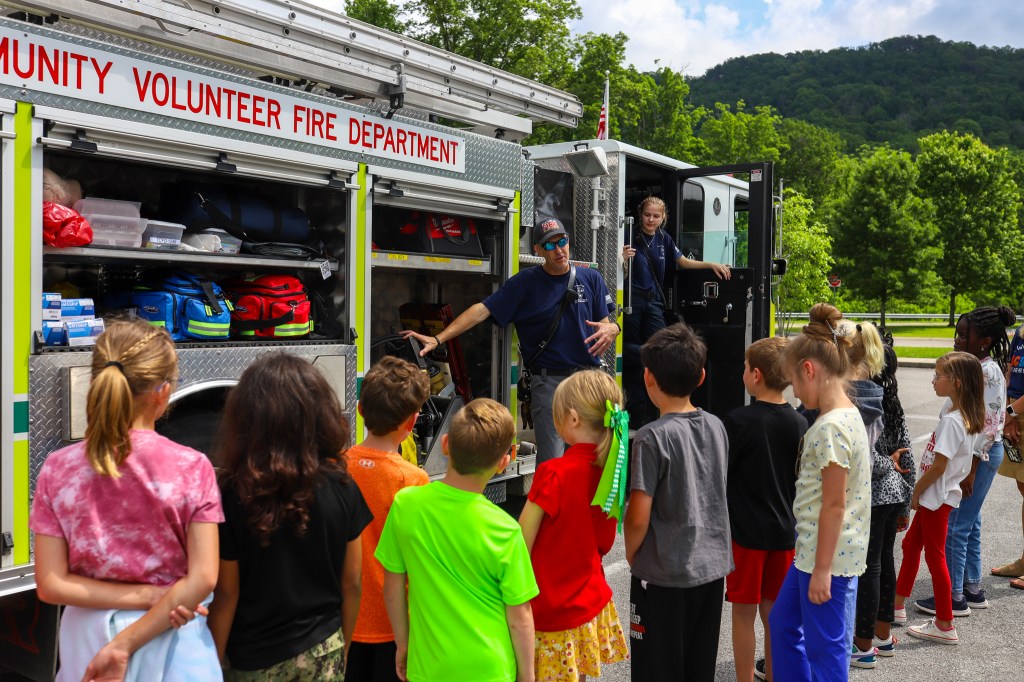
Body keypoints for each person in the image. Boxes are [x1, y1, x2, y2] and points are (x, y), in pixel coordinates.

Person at [30, 319, 222, 680]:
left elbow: (51, 585)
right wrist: (159, 599)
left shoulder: (57, 469)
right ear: (163, 392)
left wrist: (146, 598)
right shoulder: (193, 468)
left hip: (85, 642)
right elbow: (204, 577)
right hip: (171, 632)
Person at [207, 352, 372, 679]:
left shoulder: (232, 492)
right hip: (325, 649)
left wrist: (212, 660)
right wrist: (344, 645)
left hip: (253, 659)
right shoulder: (342, 485)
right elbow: (352, 582)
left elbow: (226, 593)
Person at [402, 218, 618, 465]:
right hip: (549, 384)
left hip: (588, 382)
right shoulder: (525, 283)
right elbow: (482, 310)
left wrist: (614, 327)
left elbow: (605, 323)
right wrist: (438, 338)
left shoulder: (591, 278)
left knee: (589, 461)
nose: (559, 250)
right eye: (550, 246)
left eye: (563, 242)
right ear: (537, 250)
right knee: (553, 463)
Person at [377, 398, 538, 682]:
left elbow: (392, 587)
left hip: (429, 668)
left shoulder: (406, 505)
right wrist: (527, 676)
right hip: (490, 669)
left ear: (446, 444)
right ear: (504, 463)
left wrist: (403, 645)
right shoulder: (505, 529)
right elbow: (520, 616)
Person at [623, 322, 732, 681]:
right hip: (711, 569)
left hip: (664, 575)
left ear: (648, 378)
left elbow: (638, 515)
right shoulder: (716, 425)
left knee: (657, 668)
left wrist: (632, 554)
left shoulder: (652, 437)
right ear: (701, 377)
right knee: (699, 666)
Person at [768, 303, 871, 682]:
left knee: (827, 651)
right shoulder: (845, 416)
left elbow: (834, 504)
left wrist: (823, 570)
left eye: (794, 381)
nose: (794, 391)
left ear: (809, 370)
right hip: (812, 553)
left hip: (827, 559)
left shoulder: (830, 428)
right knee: (781, 624)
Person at [518, 370, 630, 681]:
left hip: (547, 606)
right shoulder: (612, 473)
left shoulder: (554, 473)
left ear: (573, 419)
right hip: (587, 599)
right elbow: (605, 543)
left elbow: (521, 543)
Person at [916, 306, 1014, 617]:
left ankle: (954, 597)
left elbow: (987, 424)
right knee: (970, 523)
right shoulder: (982, 367)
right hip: (978, 454)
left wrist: (971, 469)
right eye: (957, 333)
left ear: (984, 341)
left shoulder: (983, 372)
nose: (957, 340)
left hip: (978, 455)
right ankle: (972, 588)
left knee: (957, 525)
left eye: (963, 335)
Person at [723, 337, 808, 682]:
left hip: (745, 533)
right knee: (775, 613)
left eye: (745, 367)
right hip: (785, 532)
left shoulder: (738, 421)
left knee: (743, 613)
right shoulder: (800, 422)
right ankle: (775, 675)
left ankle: (744, 677)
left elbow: (724, 474)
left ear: (755, 375)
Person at [344, 356, 431, 682]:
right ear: (411, 423)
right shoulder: (413, 478)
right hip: (394, 623)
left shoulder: (339, 466)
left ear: (361, 410)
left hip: (346, 617)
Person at [894, 351, 985, 645]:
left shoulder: (953, 421)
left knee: (935, 557)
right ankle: (896, 607)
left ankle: (945, 622)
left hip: (935, 498)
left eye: (939, 375)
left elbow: (939, 467)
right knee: (911, 545)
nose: (933, 381)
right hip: (938, 497)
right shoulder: (961, 416)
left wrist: (915, 491)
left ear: (956, 383)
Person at [621, 196, 730, 427]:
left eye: (656, 216)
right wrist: (622, 261)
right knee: (631, 355)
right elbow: (619, 272)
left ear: (663, 218)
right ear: (640, 214)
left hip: (654, 303)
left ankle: (659, 408)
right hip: (633, 301)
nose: (651, 219)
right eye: (647, 214)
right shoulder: (629, 234)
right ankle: (637, 410)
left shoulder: (664, 239)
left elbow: (683, 262)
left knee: (662, 351)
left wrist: (711, 265)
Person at [850, 338, 915, 665]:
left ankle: (862, 645)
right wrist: (905, 504)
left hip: (875, 495)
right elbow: (909, 455)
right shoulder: (893, 401)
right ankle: (883, 636)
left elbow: (868, 458)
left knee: (869, 567)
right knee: (884, 561)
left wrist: (887, 462)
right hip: (895, 495)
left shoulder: (863, 401)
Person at [995, 317, 1024, 590]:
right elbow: (1010, 373)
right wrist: (1009, 413)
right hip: (1015, 414)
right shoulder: (1020, 333)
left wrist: (1010, 412)